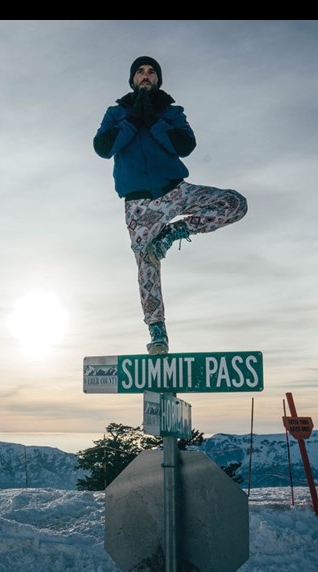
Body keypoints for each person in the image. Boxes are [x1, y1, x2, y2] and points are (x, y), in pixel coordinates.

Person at [93, 56, 247, 355]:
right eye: (140, 72)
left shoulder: (172, 112)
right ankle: (157, 332)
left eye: (151, 72)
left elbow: (185, 146)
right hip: (139, 205)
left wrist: (154, 121)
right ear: (132, 79)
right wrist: (132, 120)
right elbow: (102, 148)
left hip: (175, 191)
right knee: (146, 265)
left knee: (235, 202)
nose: (146, 76)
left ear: (159, 79)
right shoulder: (116, 113)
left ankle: (173, 234)